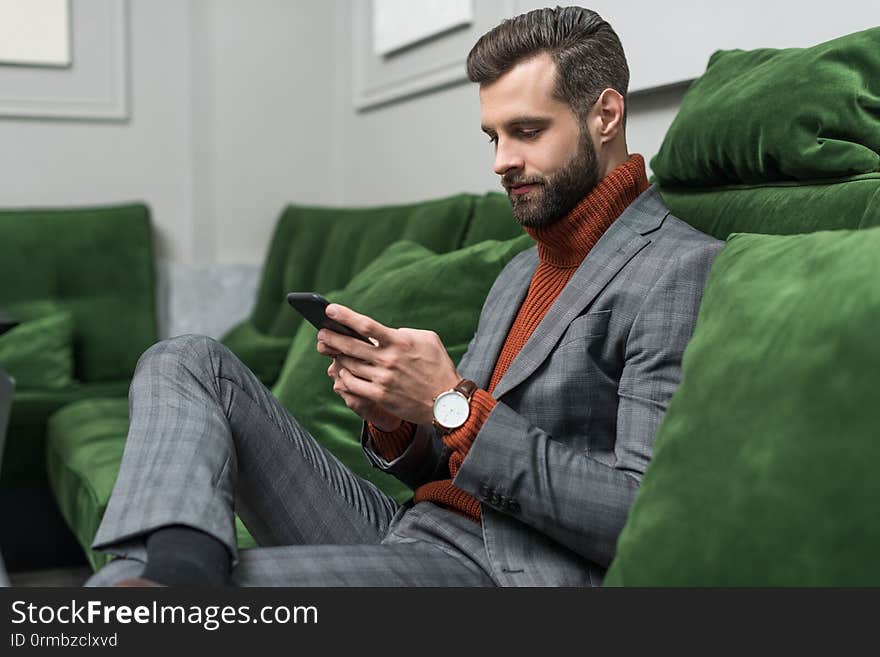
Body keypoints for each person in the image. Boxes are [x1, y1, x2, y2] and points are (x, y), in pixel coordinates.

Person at [86, 6, 722, 587]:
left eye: (526, 131)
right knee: (187, 360)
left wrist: (451, 404)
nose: (502, 160)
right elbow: (449, 468)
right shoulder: (519, 270)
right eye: (492, 136)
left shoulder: (675, 269)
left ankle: (175, 585)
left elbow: (636, 517)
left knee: (119, 591)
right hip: (409, 529)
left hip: (502, 573)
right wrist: (396, 422)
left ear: (605, 116)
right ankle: (184, 566)